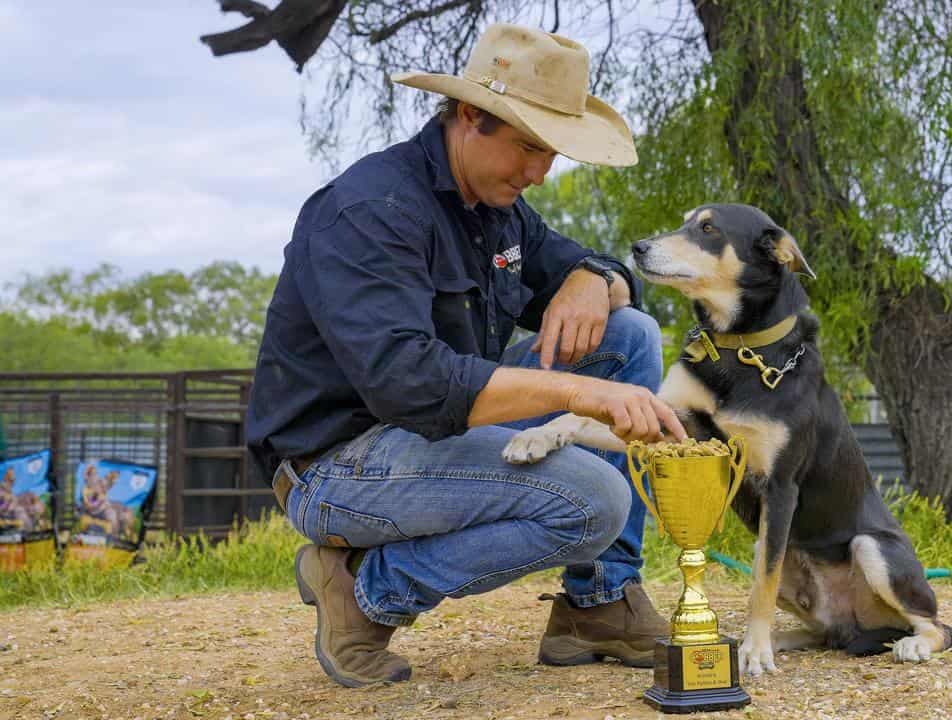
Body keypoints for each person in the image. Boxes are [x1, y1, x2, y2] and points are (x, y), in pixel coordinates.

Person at [245, 22, 687, 688]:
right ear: (470, 115)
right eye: (529, 148)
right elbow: (409, 384)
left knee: (628, 334)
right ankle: (364, 589)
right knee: (595, 500)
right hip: (337, 464)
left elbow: (594, 270)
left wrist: (594, 277)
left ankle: (598, 601)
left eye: (552, 153)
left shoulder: (499, 208)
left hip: (438, 436)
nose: (539, 174)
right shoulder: (370, 210)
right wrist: (577, 393)